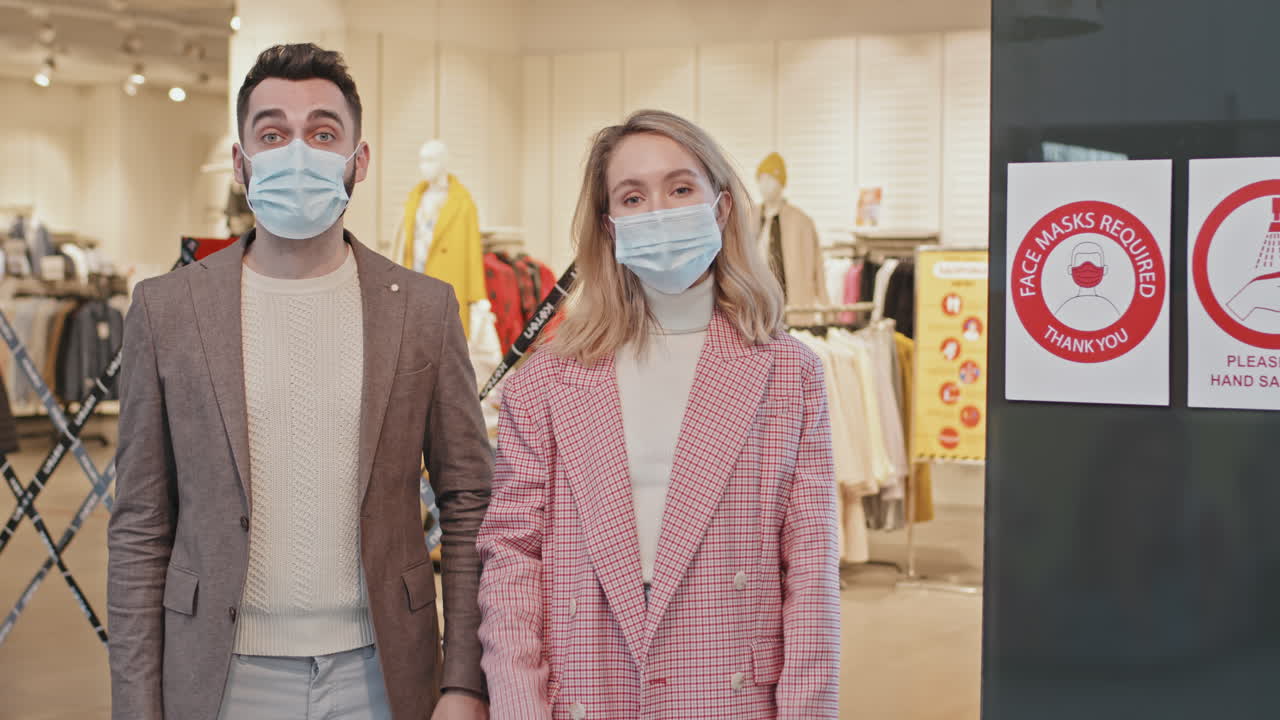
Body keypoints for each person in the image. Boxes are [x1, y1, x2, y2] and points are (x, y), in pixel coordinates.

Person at [107, 43, 491, 720]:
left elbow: (469, 501)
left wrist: (464, 679)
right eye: (273, 134)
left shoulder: (423, 310)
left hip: (383, 672)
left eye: (321, 133)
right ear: (240, 162)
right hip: (221, 676)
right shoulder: (167, 310)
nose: (297, 153)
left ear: (358, 160)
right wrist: (136, 704)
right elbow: (140, 524)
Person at [477, 110, 841, 719]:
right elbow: (513, 559)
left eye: (680, 189)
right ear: (609, 225)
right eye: (633, 196)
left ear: (721, 208)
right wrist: (519, 706)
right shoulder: (543, 382)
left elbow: (810, 573)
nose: (660, 212)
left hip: (730, 697)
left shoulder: (789, 373)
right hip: (585, 688)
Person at [1056, 240, 1120, 330]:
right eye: (1080, 260)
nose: (1087, 267)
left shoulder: (1108, 308)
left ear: (1105, 269)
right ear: (1070, 269)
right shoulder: (1065, 308)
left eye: (1095, 260)